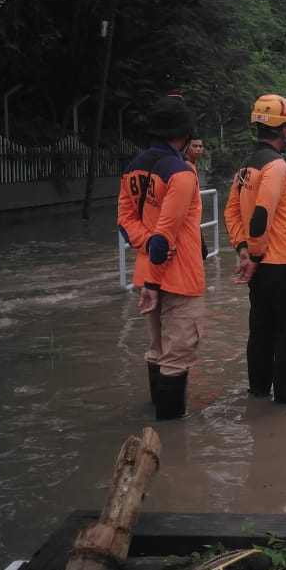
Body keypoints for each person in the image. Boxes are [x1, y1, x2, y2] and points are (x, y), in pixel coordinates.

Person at [117, 95, 204, 420]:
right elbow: (167, 232)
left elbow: (125, 222)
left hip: (146, 274)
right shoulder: (181, 173)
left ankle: (154, 421)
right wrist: (156, 258)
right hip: (178, 277)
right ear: (184, 134)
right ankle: (171, 434)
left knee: (156, 350)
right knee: (177, 356)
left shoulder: (131, 170)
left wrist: (148, 244)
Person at [224, 94, 286, 405]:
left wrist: (243, 249)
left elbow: (231, 212)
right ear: (285, 130)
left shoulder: (247, 165)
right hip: (283, 265)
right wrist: (255, 255)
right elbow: (261, 215)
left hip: (259, 268)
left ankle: (259, 391)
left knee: (261, 331)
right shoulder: (276, 165)